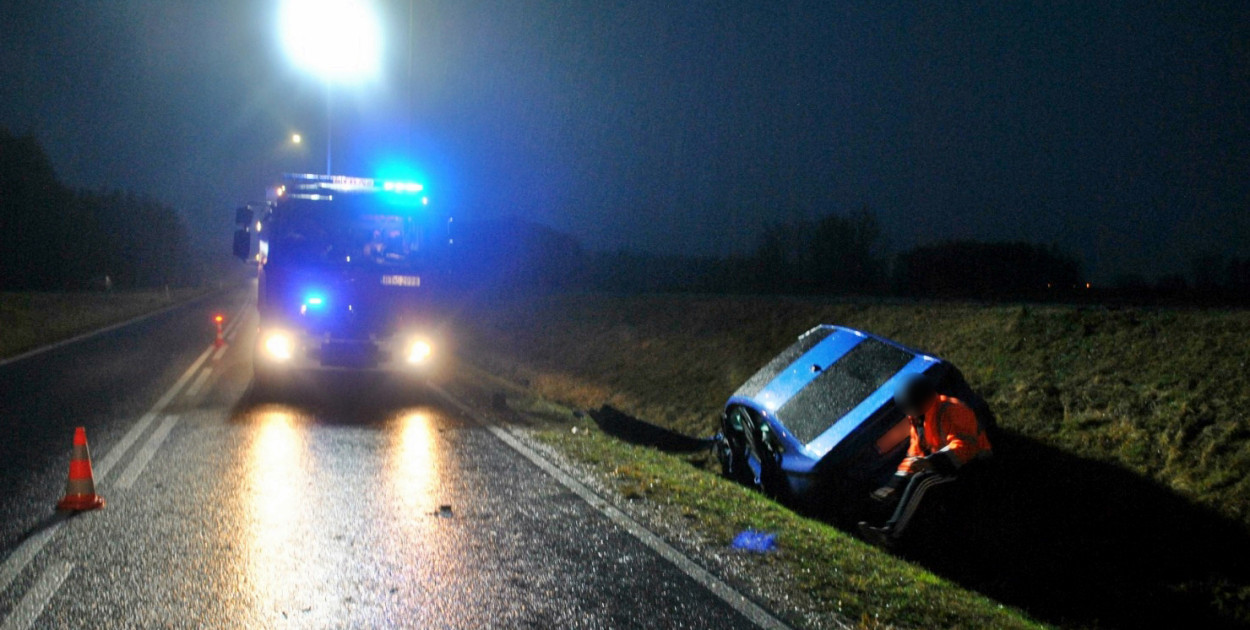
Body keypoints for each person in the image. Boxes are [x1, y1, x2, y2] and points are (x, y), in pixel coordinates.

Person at [858, 373, 992, 547]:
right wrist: (894, 485)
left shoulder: (951, 409)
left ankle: (891, 536)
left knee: (923, 481)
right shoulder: (918, 417)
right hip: (948, 464)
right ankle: (883, 528)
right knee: (917, 481)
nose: (908, 413)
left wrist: (931, 462)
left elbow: (966, 446)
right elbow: (915, 454)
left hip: (972, 466)